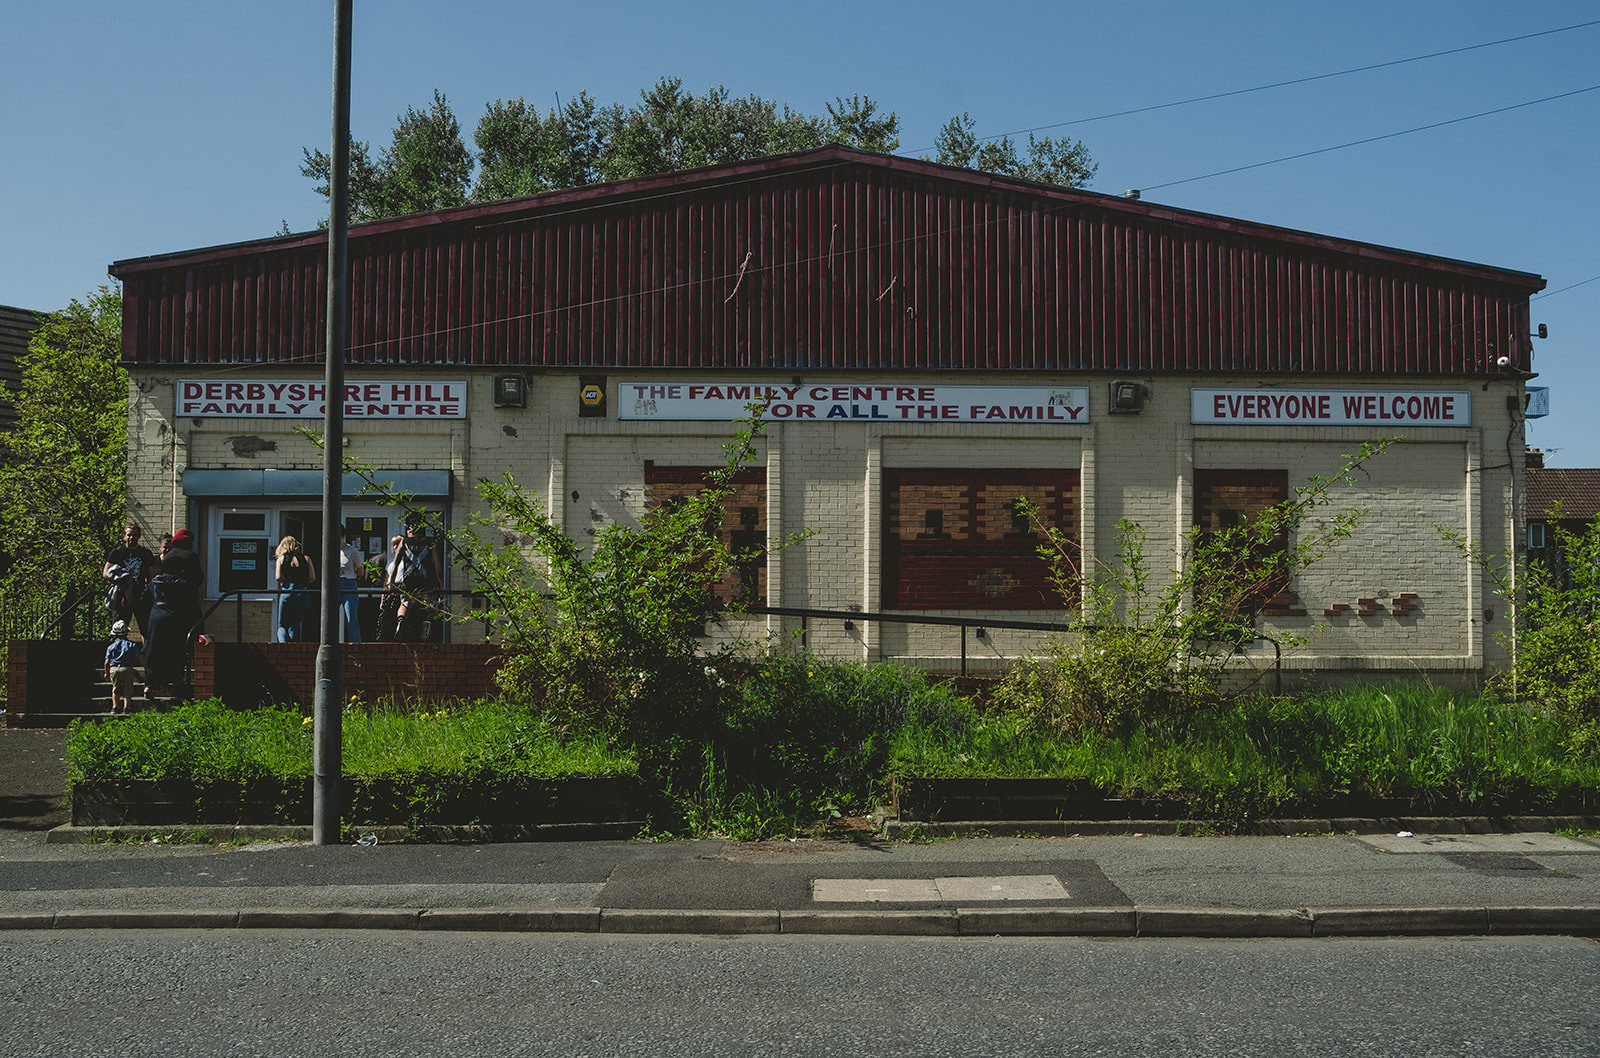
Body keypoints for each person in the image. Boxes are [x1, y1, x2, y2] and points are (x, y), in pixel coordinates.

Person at [144, 528, 203, 695]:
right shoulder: (188, 565)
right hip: (177, 614)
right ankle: (176, 680)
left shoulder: (158, 580)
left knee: (154, 649)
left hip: (156, 614)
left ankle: (150, 683)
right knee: (177, 648)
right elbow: (198, 580)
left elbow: (144, 598)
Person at [391, 518, 440, 642]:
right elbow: (437, 566)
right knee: (431, 606)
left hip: (409, 581)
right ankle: (427, 621)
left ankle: (401, 620)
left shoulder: (404, 542)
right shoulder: (429, 542)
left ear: (409, 530)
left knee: (404, 604)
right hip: (426, 582)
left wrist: (391, 582)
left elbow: (396, 563)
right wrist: (439, 581)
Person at [102, 524, 156, 632]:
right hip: (122, 596)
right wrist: (121, 577)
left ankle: (145, 649)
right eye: (129, 535)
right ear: (124, 536)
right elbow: (105, 573)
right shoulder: (116, 553)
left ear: (139, 536)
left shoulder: (145, 553)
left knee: (145, 628)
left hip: (140, 595)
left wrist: (151, 594)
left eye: (135, 535)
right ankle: (119, 648)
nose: (131, 538)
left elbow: (151, 576)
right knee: (119, 627)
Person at [274, 536, 316, 643]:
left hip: (287, 591)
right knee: (294, 625)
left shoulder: (281, 559)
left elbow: (278, 577)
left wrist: (284, 583)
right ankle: (293, 650)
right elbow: (312, 577)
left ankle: (283, 649)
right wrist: (304, 584)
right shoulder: (306, 559)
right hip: (302, 593)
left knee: (282, 625)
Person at [103, 619, 143, 716]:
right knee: (128, 689)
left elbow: (107, 662)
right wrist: (145, 667)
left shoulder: (111, 647)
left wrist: (106, 672)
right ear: (126, 633)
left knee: (115, 688)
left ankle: (114, 707)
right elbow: (139, 657)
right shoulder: (131, 645)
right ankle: (126, 707)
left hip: (115, 668)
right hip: (127, 668)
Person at [336, 528, 364, 643]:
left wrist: (353, 576)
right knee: (330, 616)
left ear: (343, 537)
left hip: (349, 583)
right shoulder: (330, 550)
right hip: (335, 585)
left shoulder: (352, 551)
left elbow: (361, 571)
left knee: (350, 617)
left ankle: (355, 644)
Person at [375, 535, 403, 641]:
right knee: (387, 620)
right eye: (393, 544)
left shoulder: (408, 560)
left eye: (398, 543)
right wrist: (383, 598)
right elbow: (386, 580)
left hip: (401, 591)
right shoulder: (391, 562)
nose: (395, 546)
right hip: (389, 592)